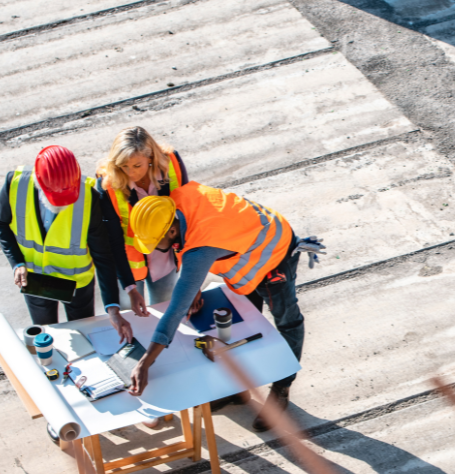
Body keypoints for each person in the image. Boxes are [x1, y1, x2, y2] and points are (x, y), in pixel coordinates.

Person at [125, 183, 322, 432]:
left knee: (287, 321)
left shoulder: (200, 250)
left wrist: (145, 362)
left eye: (156, 241)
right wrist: (194, 285)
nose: (153, 248)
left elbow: (176, 309)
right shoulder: (177, 201)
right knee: (240, 326)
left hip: (275, 253)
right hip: (248, 249)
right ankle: (238, 388)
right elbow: (202, 235)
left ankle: (282, 387)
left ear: (172, 229)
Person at [0, 145, 134, 341]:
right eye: (56, 196)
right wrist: (17, 263)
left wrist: (112, 309)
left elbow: (103, 255)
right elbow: (1, 222)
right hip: (37, 280)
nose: (63, 203)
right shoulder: (15, 184)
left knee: (85, 338)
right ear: (40, 183)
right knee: (46, 337)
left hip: (76, 285)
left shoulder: (90, 197)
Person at [96, 127, 189, 314]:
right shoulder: (107, 184)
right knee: (131, 317)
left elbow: (189, 215)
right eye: (124, 166)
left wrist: (190, 276)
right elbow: (111, 241)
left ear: (151, 158)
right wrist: (129, 287)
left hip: (165, 261)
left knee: (165, 311)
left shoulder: (172, 164)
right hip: (128, 268)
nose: (130, 173)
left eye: (137, 166)